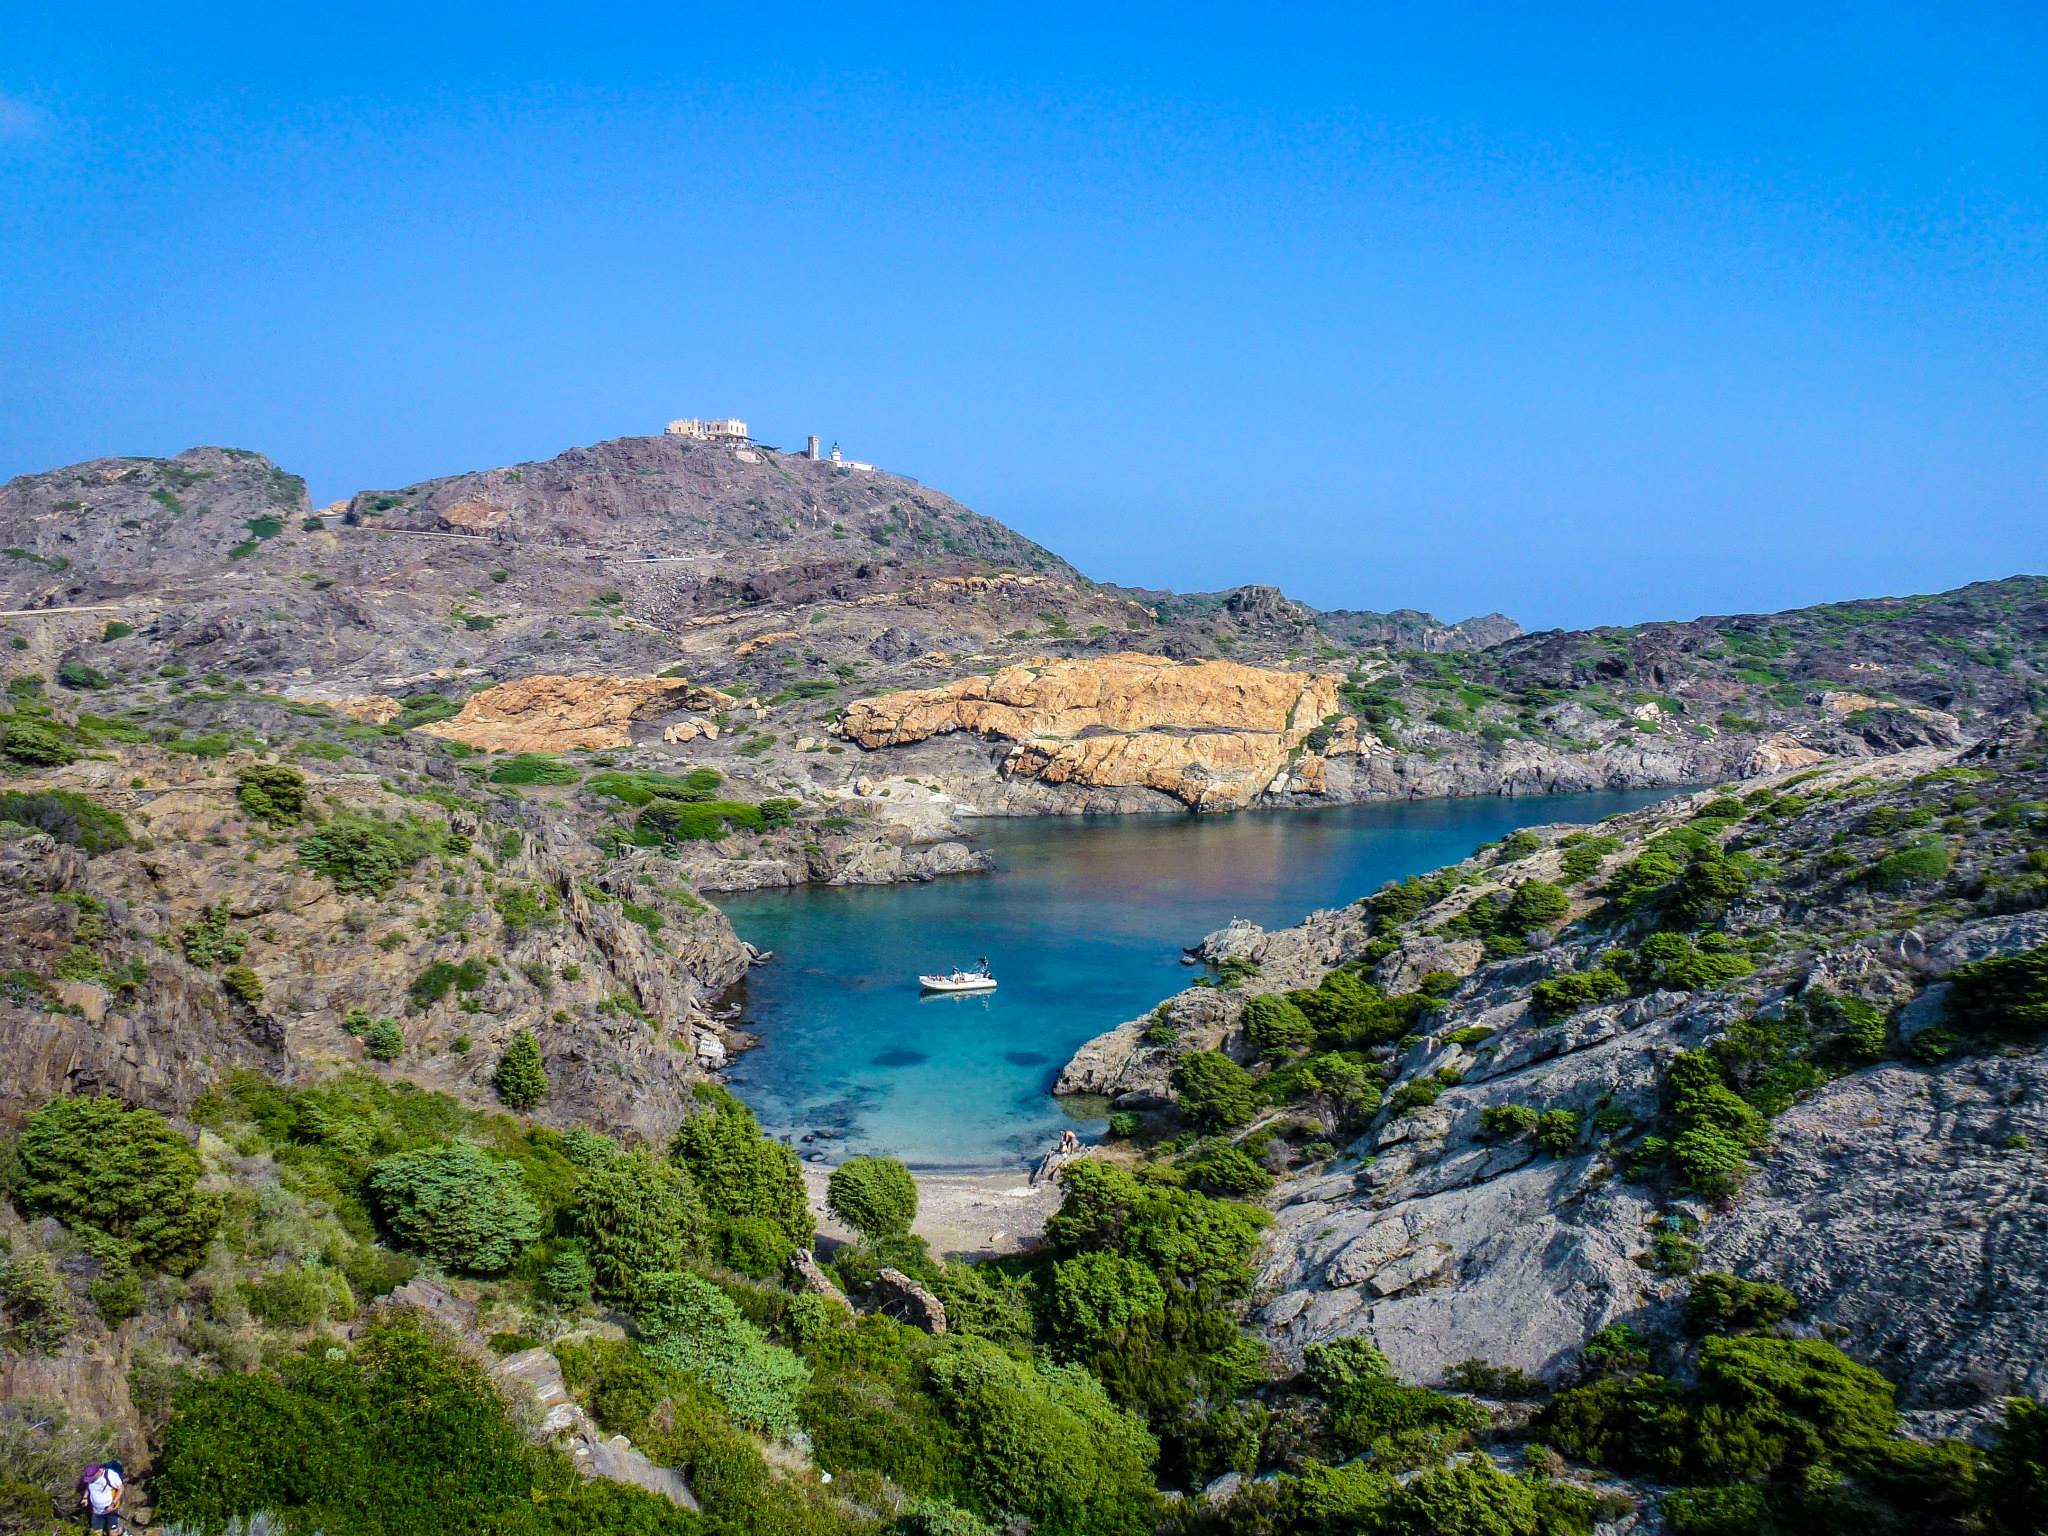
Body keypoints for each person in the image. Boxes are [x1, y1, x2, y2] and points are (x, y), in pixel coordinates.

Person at [80, 1461, 122, 1533]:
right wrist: (85, 1498)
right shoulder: (90, 1478)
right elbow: (88, 1487)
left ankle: (122, 1531)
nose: (90, 1479)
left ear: (99, 1472)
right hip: (96, 1512)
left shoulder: (110, 1475)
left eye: (92, 1477)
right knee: (96, 1534)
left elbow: (121, 1488)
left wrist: (113, 1504)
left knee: (113, 1533)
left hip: (111, 1511)